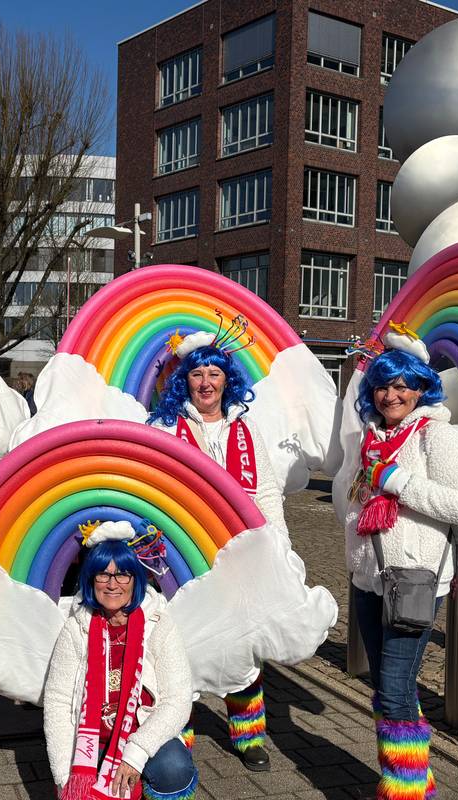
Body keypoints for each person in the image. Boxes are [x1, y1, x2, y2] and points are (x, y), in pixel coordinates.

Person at [340, 328, 458, 799]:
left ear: (422, 388)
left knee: (396, 692)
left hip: (414, 581)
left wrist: (396, 480)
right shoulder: (372, 439)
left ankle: (403, 792)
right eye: (382, 385)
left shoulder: (436, 436)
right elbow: (359, 503)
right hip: (369, 579)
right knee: (388, 689)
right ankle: (417, 783)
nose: (391, 395)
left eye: (402, 385)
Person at [146, 327, 284, 772]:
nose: (206, 383)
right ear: (183, 379)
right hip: (180, 557)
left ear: (227, 379)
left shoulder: (245, 428)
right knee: (177, 645)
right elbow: (148, 492)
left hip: (239, 555)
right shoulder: (164, 428)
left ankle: (248, 734)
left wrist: (278, 548)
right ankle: (176, 733)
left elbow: (265, 492)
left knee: (242, 646)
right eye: (197, 374)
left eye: (214, 373)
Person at [43, 521, 197, 800]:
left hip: (142, 734)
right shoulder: (76, 629)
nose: (113, 584)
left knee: (173, 768)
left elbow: (178, 698)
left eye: (123, 575)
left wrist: (135, 755)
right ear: (91, 581)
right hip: (90, 742)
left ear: (136, 580)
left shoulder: (159, 624)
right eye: (103, 575)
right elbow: (58, 702)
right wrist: (66, 777)